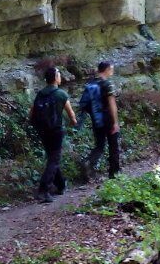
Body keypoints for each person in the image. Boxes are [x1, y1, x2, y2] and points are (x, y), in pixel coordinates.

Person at [29, 66, 76, 204]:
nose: (60, 77)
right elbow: (71, 113)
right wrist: (74, 122)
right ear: (56, 78)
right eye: (59, 74)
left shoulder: (41, 93)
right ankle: (43, 190)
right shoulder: (61, 94)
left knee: (52, 158)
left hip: (43, 131)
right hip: (56, 131)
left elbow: (31, 113)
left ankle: (60, 185)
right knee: (54, 160)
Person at [81, 59, 122, 179]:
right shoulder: (106, 84)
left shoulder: (90, 84)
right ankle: (114, 173)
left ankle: (88, 162)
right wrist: (115, 122)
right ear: (107, 69)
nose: (112, 72)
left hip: (96, 118)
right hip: (108, 118)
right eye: (111, 69)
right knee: (113, 145)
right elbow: (112, 104)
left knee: (99, 145)